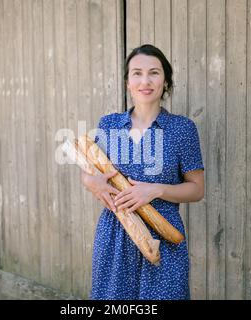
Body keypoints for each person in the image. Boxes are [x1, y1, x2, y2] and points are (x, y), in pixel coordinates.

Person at [81, 44, 205, 300]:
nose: (145, 81)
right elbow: (90, 172)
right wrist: (90, 182)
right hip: (115, 233)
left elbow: (196, 189)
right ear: (127, 82)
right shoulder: (109, 124)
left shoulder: (182, 129)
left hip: (163, 236)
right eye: (137, 73)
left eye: (154, 73)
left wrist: (155, 190)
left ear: (166, 80)